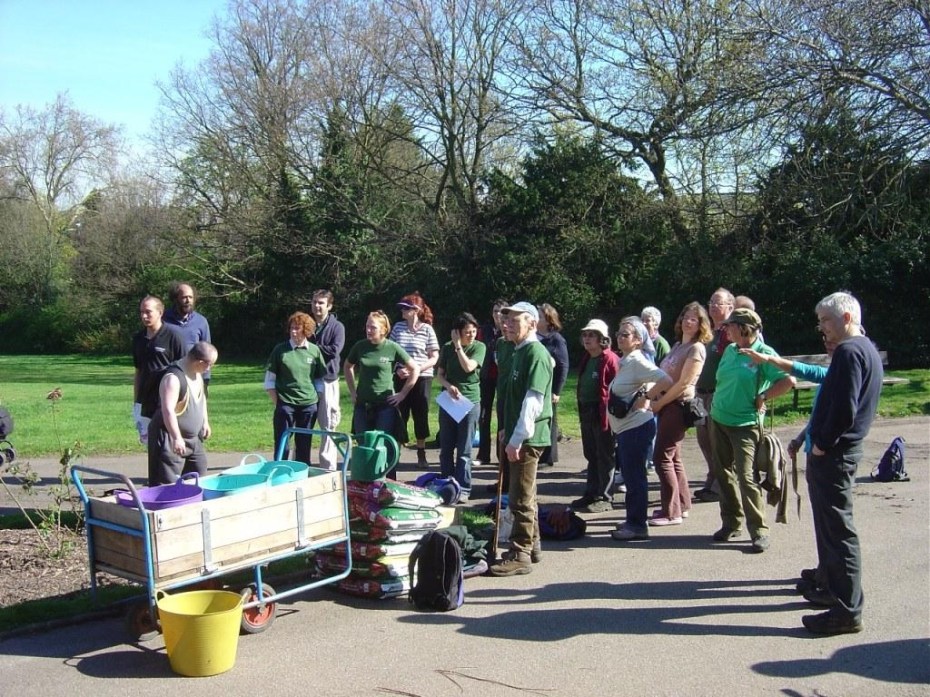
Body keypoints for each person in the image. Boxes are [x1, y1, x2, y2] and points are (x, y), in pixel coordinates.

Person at [804, 292, 881, 635]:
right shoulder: (865, 348)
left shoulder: (851, 351)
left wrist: (821, 444)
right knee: (832, 528)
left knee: (838, 532)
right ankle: (830, 586)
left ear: (847, 318)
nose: (822, 328)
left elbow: (844, 409)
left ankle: (846, 610)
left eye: (826, 320)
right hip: (839, 454)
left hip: (835, 455)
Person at [708, 308, 796, 553]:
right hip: (719, 419)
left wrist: (765, 395)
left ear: (744, 328)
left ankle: (759, 530)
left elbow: (789, 380)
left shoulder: (764, 354)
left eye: (730, 326)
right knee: (722, 474)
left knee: (747, 478)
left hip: (745, 425)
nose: (726, 329)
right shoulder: (730, 350)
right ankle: (731, 523)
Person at [488, 302, 553, 576]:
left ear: (532, 324)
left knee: (520, 497)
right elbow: (514, 398)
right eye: (507, 319)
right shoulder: (517, 350)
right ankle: (533, 544)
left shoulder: (535, 353)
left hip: (529, 436)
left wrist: (516, 438)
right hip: (518, 433)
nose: (509, 324)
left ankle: (520, 552)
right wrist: (507, 430)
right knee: (527, 494)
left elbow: (533, 401)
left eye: (516, 320)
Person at [646, 302, 712, 525]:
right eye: (685, 316)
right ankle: (682, 505)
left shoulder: (696, 348)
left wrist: (659, 403)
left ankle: (670, 512)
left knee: (661, 457)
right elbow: (665, 377)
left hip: (677, 406)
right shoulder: (677, 346)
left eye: (694, 318)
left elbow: (684, 383)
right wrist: (648, 397)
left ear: (701, 324)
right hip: (665, 405)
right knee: (674, 458)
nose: (688, 321)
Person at [608, 317, 670, 541]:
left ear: (637, 341)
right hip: (627, 429)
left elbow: (665, 379)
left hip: (636, 428)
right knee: (632, 476)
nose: (619, 337)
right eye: (619, 333)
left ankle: (637, 526)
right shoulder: (627, 361)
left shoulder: (637, 360)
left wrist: (646, 397)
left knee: (635, 479)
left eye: (625, 334)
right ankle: (633, 520)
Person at [344, 311, 420, 477]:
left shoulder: (391, 347)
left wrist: (402, 394)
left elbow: (415, 369)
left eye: (373, 327)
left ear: (384, 329)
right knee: (364, 446)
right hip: (362, 406)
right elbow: (347, 366)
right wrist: (352, 390)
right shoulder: (360, 346)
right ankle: (366, 484)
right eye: (367, 326)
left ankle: (387, 484)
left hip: (385, 407)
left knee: (384, 446)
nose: (369, 330)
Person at [147, 341, 217, 485]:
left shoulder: (197, 373)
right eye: (209, 364)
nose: (209, 369)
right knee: (167, 485)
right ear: (199, 361)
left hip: (193, 440)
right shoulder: (173, 379)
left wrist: (205, 422)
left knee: (199, 476)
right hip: (169, 439)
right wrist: (176, 437)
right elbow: (168, 411)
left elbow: (201, 397)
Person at [570, 319, 620, 514]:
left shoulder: (610, 359)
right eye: (585, 335)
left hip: (602, 414)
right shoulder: (587, 359)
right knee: (591, 454)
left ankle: (606, 497)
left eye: (592, 335)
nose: (587, 338)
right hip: (587, 412)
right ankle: (591, 493)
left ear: (602, 339)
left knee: (605, 455)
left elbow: (617, 387)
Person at [264, 312, 326, 465]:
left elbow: (319, 379)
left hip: (308, 406)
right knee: (282, 445)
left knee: (304, 445)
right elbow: (269, 381)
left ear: (306, 330)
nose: (293, 331)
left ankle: (301, 475)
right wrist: (278, 402)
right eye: (291, 328)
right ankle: (279, 474)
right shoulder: (280, 350)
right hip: (285, 405)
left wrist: (317, 397)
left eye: (297, 328)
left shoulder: (314, 351)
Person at [436, 312, 486, 502]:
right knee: (446, 447)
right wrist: (448, 387)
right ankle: (447, 485)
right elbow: (440, 374)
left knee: (464, 449)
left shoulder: (479, 347)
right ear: (457, 332)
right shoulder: (446, 348)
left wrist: (458, 346)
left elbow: (468, 367)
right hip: (449, 401)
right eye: (467, 331)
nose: (471, 335)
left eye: (474, 331)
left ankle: (463, 487)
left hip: (470, 401)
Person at [692, 288, 735, 502]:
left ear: (730, 307)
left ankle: (720, 484)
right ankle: (712, 475)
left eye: (718, 303)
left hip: (719, 394)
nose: (713, 306)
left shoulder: (732, 333)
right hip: (701, 394)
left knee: (718, 440)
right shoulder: (708, 332)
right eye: (711, 302)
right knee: (703, 439)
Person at [389, 292, 440, 468]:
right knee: (399, 414)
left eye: (406, 308)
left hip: (423, 378)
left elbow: (434, 357)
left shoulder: (427, 329)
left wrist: (417, 370)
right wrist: (398, 369)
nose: (402, 311)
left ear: (415, 310)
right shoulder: (397, 328)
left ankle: (421, 453)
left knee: (420, 414)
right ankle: (395, 453)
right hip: (401, 376)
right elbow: (391, 353)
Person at [132, 296, 185, 445]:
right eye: (141, 312)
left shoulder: (174, 336)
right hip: (145, 402)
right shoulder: (138, 339)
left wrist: (182, 402)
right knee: (150, 446)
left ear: (160, 312)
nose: (144, 316)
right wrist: (136, 402)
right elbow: (138, 371)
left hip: (168, 402)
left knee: (168, 445)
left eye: (148, 312)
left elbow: (185, 371)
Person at [309, 289, 346, 470]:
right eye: (315, 302)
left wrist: (313, 347)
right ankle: (301, 465)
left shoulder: (337, 327)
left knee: (328, 426)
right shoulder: (307, 325)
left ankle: (328, 469)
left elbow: (334, 350)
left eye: (321, 303)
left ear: (329, 306)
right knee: (304, 425)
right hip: (307, 381)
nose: (317, 306)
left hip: (328, 381)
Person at [475, 299, 509, 467]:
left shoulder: (510, 330)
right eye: (495, 311)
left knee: (503, 414)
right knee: (483, 415)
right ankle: (483, 454)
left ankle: (501, 455)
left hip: (504, 377)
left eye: (501, 311)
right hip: (487, 376)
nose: (498, 315)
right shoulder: (485, 330)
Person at [163, 282, 213, 394]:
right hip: (169, 376)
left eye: (190, 297)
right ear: (175, 299)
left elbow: (207, 352)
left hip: (194, 377)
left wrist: (206, 380)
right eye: (184, 297)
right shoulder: (163, 320)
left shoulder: (201, 322)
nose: (188, 300)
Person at [537, 303, 569, 467]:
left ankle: (548, 457)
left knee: (550, 420)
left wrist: (557, 391)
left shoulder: (556, 339)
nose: (537, 318)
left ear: (549, 320)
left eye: (540, 316)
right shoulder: (533, 337)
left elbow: (563, 365)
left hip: (550, 387)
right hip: (537, 385)